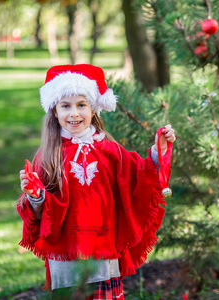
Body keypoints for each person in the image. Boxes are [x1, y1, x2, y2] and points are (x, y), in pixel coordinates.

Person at [17, 64, 175, 299]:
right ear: (54, 110)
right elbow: (40, 213)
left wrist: (158, 151)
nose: (74, 114)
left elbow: (139, 177)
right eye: (66, 106)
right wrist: (35, 195)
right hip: (66, 253)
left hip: (103, 249)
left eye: (81, 105)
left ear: (93, 109)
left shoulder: (109, 150)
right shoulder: (48, 154)